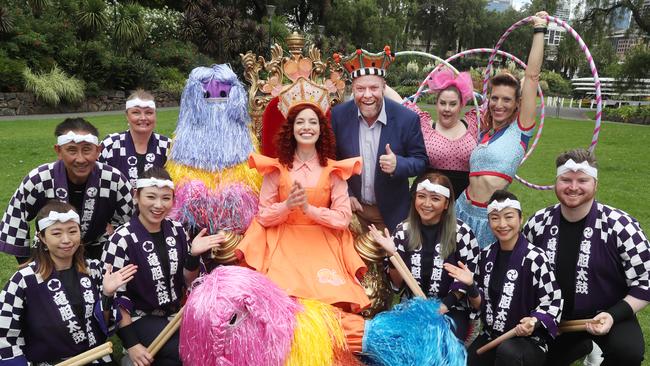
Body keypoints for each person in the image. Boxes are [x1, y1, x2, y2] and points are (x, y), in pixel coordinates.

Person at [236, 77, 370, 352]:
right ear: (291, 128)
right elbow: (263, 215)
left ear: (321, 129)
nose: (306, 127)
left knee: (326, 301)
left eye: (312, 122)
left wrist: (310, 209)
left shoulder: (334, 170)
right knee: (282, 300)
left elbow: (343, 218)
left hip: (322, 241)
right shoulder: (277, 168)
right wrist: (288, 207)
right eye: (300, 122)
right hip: (283, 241)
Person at [523, 148, 650, 366]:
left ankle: (591, 344)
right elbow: (521, 271)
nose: (573, 187)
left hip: (608, 313)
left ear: (595, 185)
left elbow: (645, 282)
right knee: (528, 357)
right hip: (555, 317)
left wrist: (613, 315)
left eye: (582, 180)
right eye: (566, 180)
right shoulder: (538, 223)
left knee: (627, 353)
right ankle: (582, 346)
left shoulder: (621, 225)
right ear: (556, 182)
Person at [102, 166, 223, 366]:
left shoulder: (177, 230)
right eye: (151, 197)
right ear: (136, 196)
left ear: (173, 201)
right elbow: (116, 297)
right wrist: (132, 345)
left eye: (166, 198)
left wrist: (193, 255)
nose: (158, 205)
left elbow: (189, 280)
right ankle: (129, 355)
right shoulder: (121, 239)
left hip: (176, 314)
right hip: (138, 318)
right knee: (186, 353)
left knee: (200, 349)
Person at [0, 201, 136, 365]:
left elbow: (105, 326)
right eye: (56, 233)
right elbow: (5, 334)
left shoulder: (94, 269)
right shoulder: (23, 280)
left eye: (73, 231)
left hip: (95, 358)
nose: (66, 240)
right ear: (42, 237)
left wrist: (107, 294)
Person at [455, 11, 548, 248]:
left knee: (483, 277)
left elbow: (532, 76)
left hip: (491, 218)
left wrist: (540, 28)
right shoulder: (485, 133)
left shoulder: (520, 130)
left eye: (506, 100)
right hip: (462, 209)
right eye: (494, 98)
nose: (499, 105)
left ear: (517, 103)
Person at [445, 190, 563, 366]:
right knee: (466, 361)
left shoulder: (536, 258)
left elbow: (553, 301)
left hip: (527, 341)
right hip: (493, 336)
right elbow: (481, 306)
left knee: (509, 353)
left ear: (521, 218)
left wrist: (534, 321)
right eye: (495, 218)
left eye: (509, 217)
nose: (502, 224)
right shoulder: (485, 256)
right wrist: (470, 286)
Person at [0, 118, 134, 262]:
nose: (80, 159)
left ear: (98, 151)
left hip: (98, 247)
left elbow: (134, 222)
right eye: (72, 150)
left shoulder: (114, 179)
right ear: (58, 151)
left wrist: (117, 239)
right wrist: (28, 265)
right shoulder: (39, 179)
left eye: (87, 149)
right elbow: (15, 219)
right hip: (50, 249)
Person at [368, 171, 480, 340]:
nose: (426, 204)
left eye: (435, 198)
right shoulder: (403, 231)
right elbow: (396, 284)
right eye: (421, 196)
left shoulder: (462, 233)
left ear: (446, 204)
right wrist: (392, 255)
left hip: (450, 307)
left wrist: (443, 306)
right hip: (412, 304)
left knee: (439, 341)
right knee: (390, 340)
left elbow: (465, 280)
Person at [332, 46, 428, 232]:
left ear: (384, 87)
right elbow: (332, 161)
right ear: (353, 89)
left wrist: (398, 164)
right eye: (360, 88)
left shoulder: (406, 119)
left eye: (374, 88)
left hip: (391, 214)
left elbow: (421, 161)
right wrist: (346, 193)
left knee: (391, 262)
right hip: (352, 212)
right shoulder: (338, 116)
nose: (367, 95)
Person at [403, 69, 477, 198]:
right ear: (436, 104)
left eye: (453, 104)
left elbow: (502, 104)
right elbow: (401, 102)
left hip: (462, 201)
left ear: (461, 105)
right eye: (442, 103)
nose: (447, 109)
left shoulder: (474, 123)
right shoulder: (424, 124)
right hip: (428, 198)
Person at [100, 90, 171, 189]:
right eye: (136, 112)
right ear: (127, 116)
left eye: (149, 113)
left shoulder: (167, 146)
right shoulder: (110, 144)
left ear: (155, 115)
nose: (143, 118)